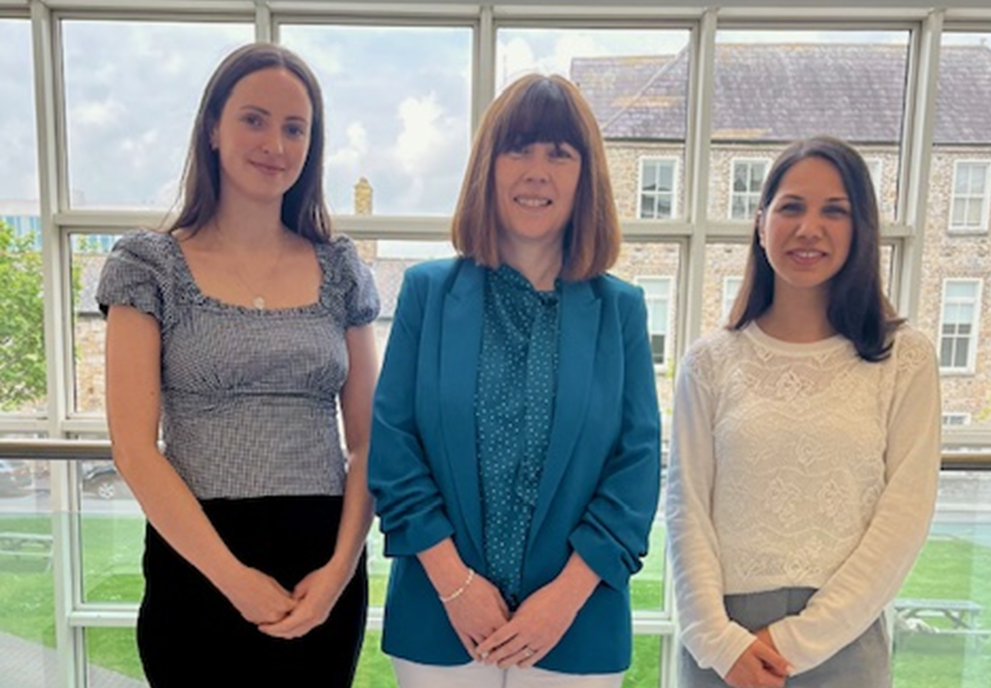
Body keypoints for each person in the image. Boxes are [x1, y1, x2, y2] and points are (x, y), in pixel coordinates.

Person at [97, 43, 379, 686]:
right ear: (213, 131)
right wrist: (233, 580)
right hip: (196, 560)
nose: (274, 143)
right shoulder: (148, 266)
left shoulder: (340, 268)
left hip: (322, 567)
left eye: (294, 127)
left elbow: (367, 444)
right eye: (254, 119)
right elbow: (135, 450)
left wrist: (338, 573)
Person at [367, 73, 661, 688]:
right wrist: (456, 585)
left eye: (560, 153)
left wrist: (565, 597)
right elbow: (394, 450)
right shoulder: (426, 293)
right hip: (441, 616)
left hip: (576, 621)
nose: (537, 171)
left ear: (586, 176)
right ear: (487, 167)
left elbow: (634, 468)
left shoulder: (621, 310)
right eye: (518, 148)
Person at [665, 135, 941, 688]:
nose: (808, 228)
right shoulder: (710, 362)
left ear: (861, 228)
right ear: (761, 222)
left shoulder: (903, 360)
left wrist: (793, 642)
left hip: (843, 646)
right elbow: (685, 508)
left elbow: (904, 517)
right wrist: (719, 643)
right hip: (722, 649)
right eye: (791, 206)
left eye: (834, 211)